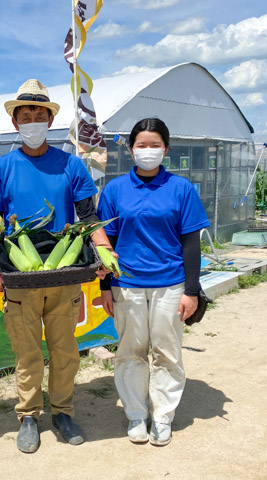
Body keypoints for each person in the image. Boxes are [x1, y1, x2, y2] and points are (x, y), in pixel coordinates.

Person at [0, 79, 113, 453]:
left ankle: (62, 411)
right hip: (20, 273)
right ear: (15, 123)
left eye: (40, 114)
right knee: (26, 353)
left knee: (65, 349)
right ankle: (27, 415)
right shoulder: (0, 168)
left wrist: (103, 254)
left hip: (64, 269)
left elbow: (89, 217)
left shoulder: (71, 165)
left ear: (50, 119)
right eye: (26, 115)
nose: (33, 121)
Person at [97, 117, 210, 447]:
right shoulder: (115, 189)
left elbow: (191, 243)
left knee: (167, 352)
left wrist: (191, 290)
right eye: (141, 145)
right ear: (131, 149)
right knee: (130, 351)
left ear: (166, 149)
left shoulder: (181, 188)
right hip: (126, 285)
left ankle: (162, 415)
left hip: (170, 284)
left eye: (155, 145)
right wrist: (105, 288)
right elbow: (107, 243)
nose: (148, 151)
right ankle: (135, 413)